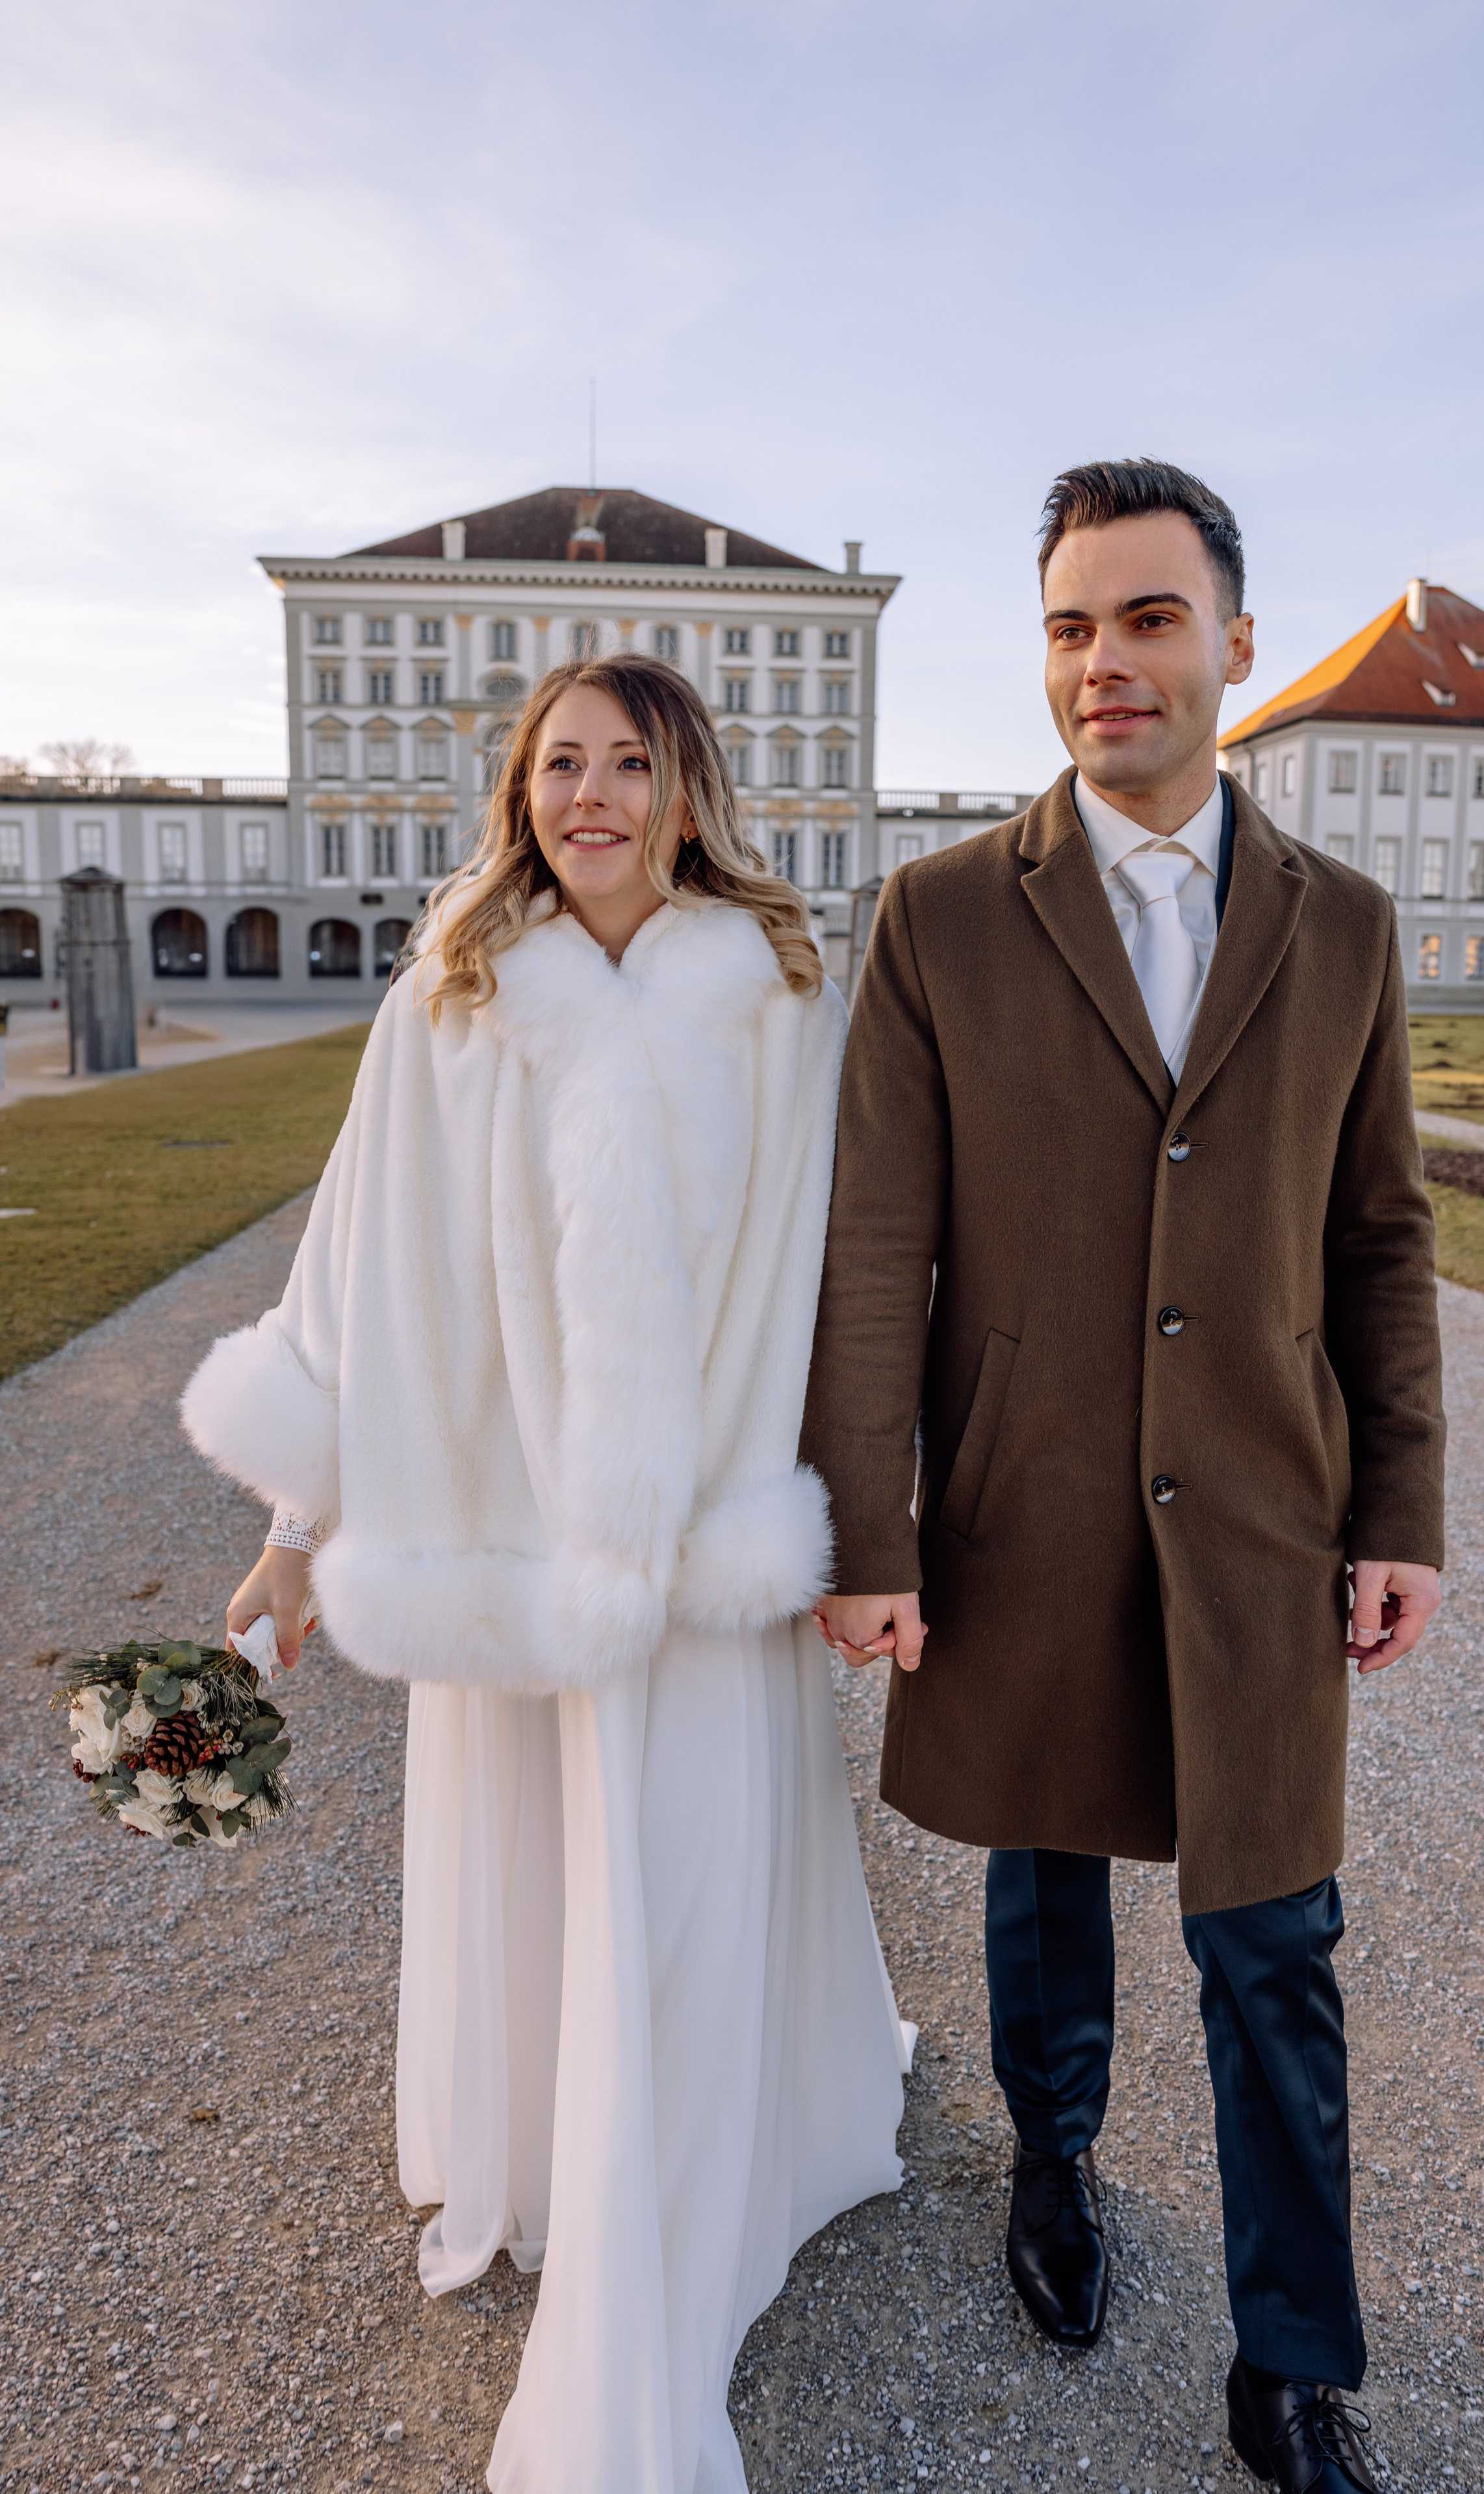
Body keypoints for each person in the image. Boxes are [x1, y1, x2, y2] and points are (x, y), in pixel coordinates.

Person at [182, 654, 910, 2494]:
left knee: (686, 1897)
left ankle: (666, 2260)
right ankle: (557, 2174)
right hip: (515, 1556)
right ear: (522, 790)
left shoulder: (779, 993)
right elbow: (356, 1265)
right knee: (551, 1893)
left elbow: (850, 1284)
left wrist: (868, 1532)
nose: (591, 794)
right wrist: (291, 1533)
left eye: (630, 764)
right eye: (559, 763)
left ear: (690, 790)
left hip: (709, 1565)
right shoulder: (452, 993)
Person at [802, 460, 1444, 2494]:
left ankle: (1292, 2367)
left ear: (1235, 644)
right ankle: (1053, 2169)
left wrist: (1402, 1509)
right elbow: (878, 1247)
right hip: (1027, 1501)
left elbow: (1380, 1239)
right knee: (1043, 1876)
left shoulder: (1342, 927)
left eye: (1149, 618)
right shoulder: (934, 921)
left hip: (1262, 1515)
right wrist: (872, 1528)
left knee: (1278, 1947)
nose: (1108, 664)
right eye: (1074, 625)